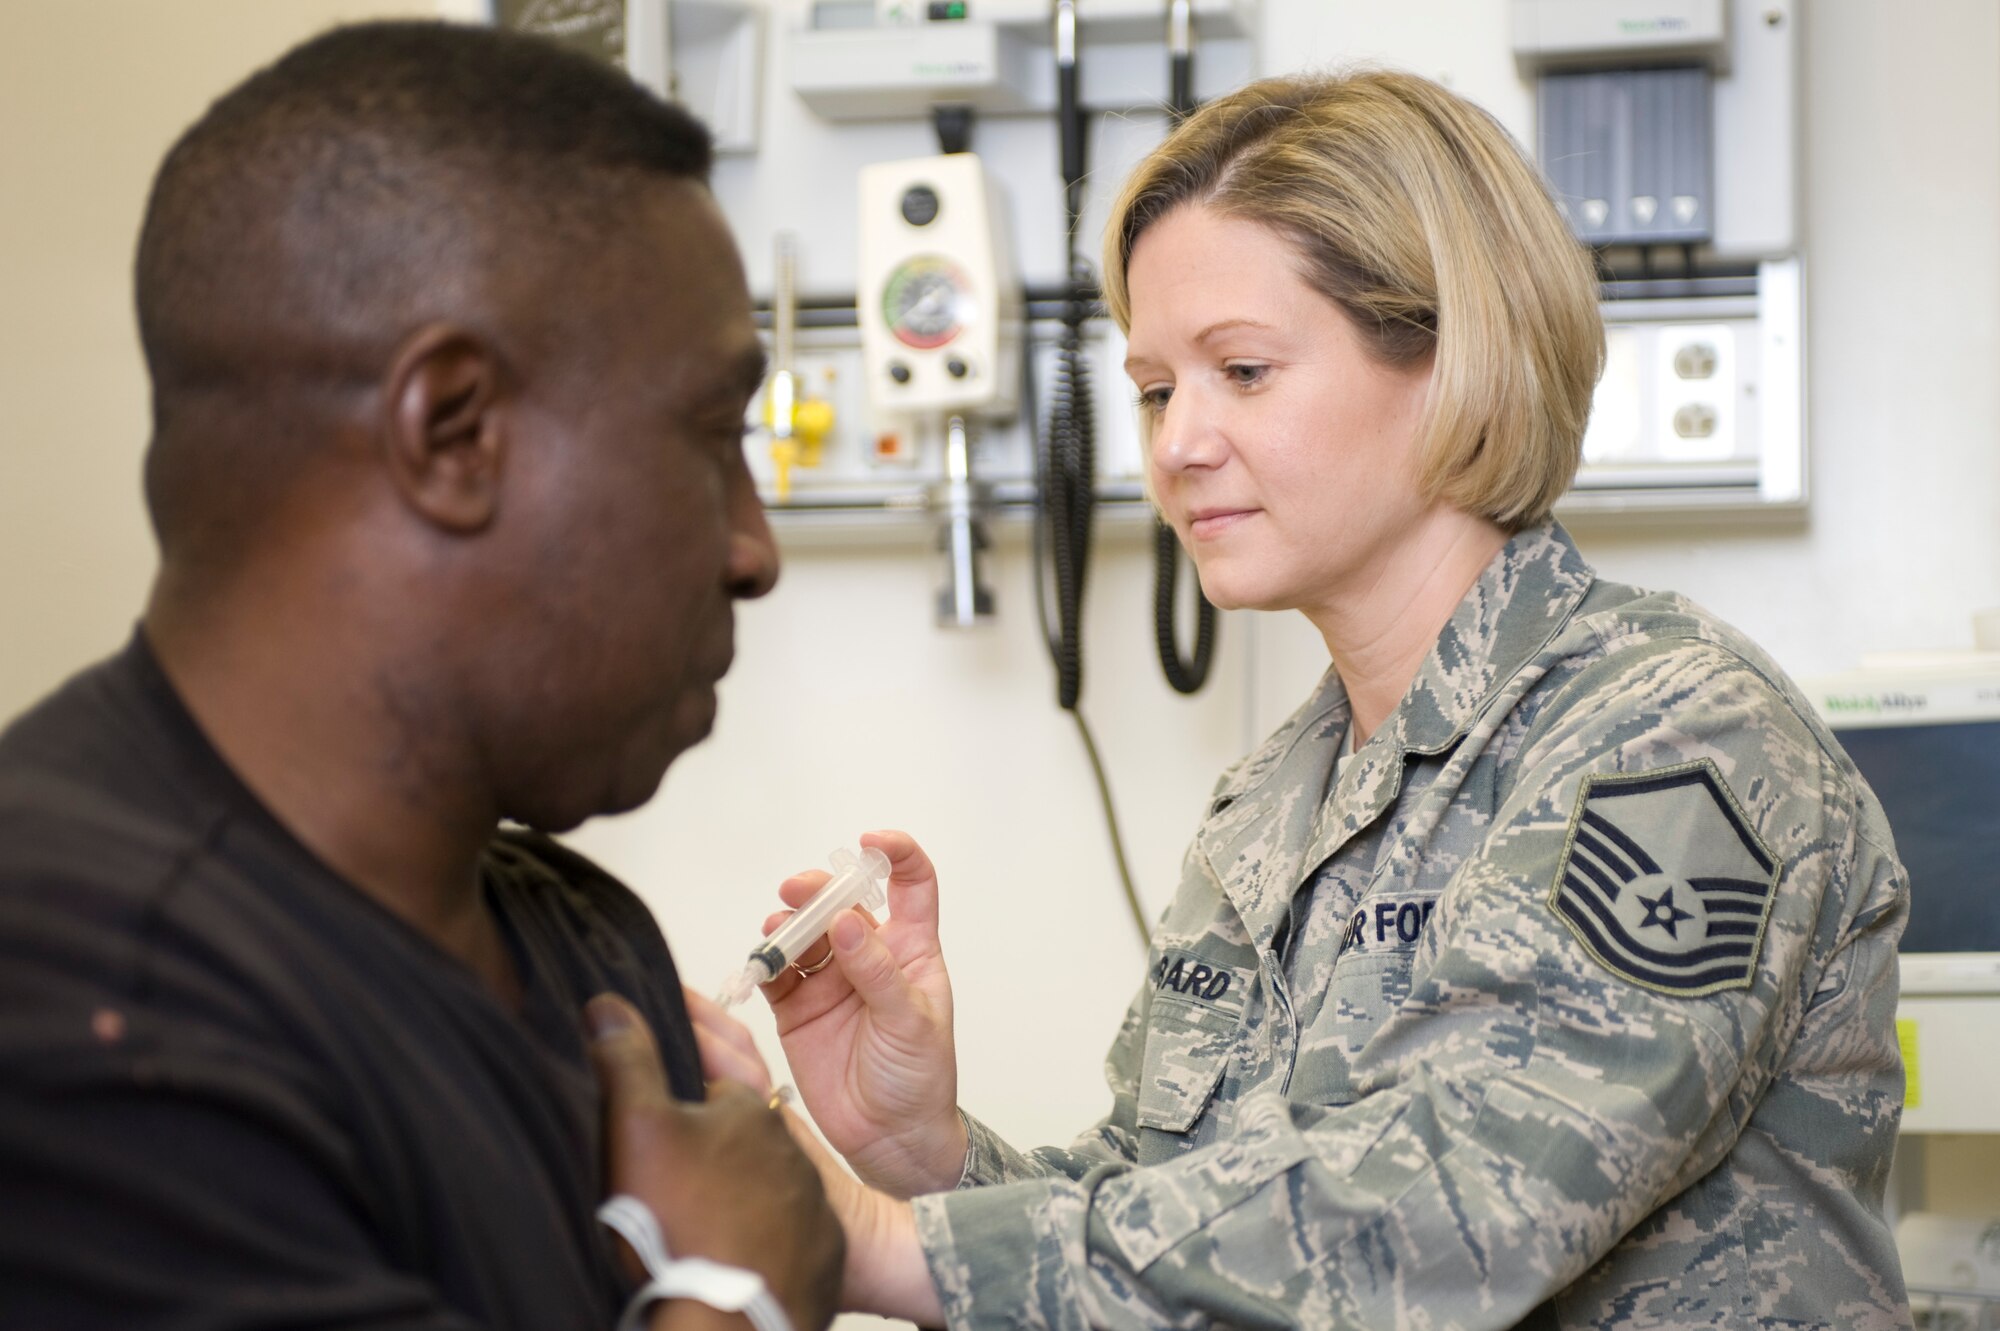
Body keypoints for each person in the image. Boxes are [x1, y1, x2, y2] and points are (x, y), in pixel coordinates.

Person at [691, 70, 1915, 1329]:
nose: (1174, 444)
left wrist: (879, 1242)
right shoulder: (1275, 803)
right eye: (1158, 388)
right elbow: (1187, 1224)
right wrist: (922, 1156)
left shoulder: (1674, 743)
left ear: (1451, 360)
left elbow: (1457, 1219)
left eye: (1243, 370)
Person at [0, 21, 844, 1331]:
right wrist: (735, 1294)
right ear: (453, 432)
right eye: (711, 436)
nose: (754, 550)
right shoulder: (89, 1006)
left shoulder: (577, 937)